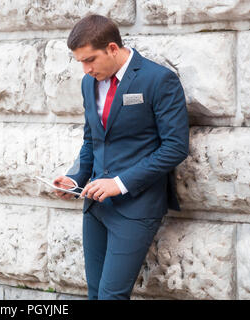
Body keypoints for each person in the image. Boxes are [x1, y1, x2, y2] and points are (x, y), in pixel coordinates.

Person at [53, 14, 189, 300]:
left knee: (111, 296)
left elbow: (175, 147)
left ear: (113, 48)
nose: (86, 69)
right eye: (80, 62)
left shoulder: (159, 80)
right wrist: (74, 178)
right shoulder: (88, 84)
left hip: (136, 207)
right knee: (94, 294)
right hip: (95, 206)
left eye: (90, 60)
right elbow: (92, 141)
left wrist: (120, 182)